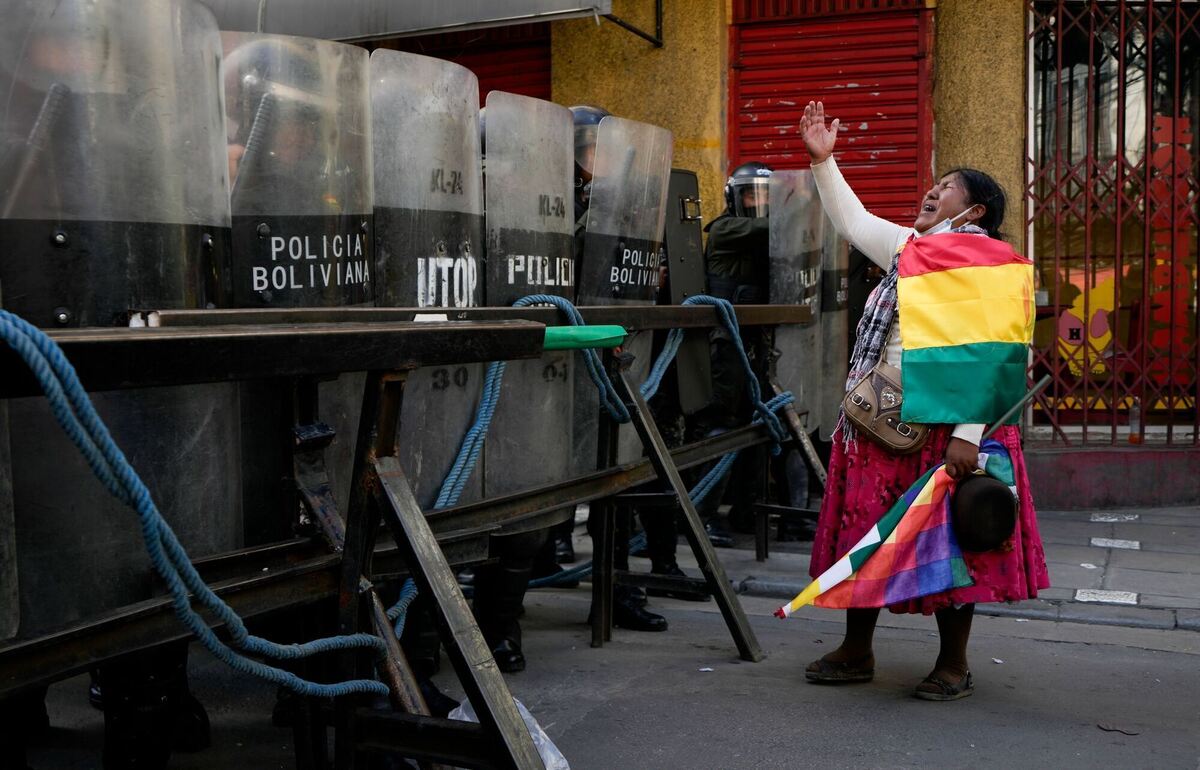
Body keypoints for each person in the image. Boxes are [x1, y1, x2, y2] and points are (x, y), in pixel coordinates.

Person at [798, 100, 1049, 700]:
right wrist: (823, 162)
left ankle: (955, 665)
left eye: (946, 188)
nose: (931, 192)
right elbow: (853, 222)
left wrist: (968, 434)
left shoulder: (994, 265)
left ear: (976, 210)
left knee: (953, 542)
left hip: (951, 432)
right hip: (884, 420)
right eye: (932, 185)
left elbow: (995, 356)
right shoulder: (911, 248)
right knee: (871, 535)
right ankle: (858, 650)